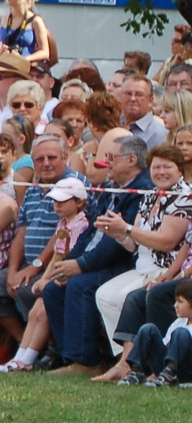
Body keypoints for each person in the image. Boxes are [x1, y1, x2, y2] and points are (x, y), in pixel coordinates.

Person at [41, 133, 154, 375]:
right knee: (54, 288)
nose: (106, 163)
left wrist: (80, 266)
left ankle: (87, 361)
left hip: (125, 262)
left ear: (131, 160)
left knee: (80, 284)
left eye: (111, 157)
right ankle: (69, 356)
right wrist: (70, 263)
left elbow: (116, 245)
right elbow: (91, 232)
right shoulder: (110, 187)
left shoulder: (142, 191)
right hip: (98, 261)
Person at [91, 144, 192, 375]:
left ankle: (130, 363)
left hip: (166, 268)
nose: (161, 172)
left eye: (167, 167)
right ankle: (126, 358)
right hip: (143, 266)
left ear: (180, 169)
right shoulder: (150, 195)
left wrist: (126, 228)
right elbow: (134, 243)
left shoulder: (184, 196)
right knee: (104, 296)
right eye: (156, 167)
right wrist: (117, 233)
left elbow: (166, 241)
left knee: (124, 297)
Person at [0, 175, 90, 372]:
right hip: (56, 276)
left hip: (68, 278)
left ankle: (29, 358)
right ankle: (20, 357)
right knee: (34, 313)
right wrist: (46, 277)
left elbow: (68, 256)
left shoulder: (81, 225)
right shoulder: (63, 224)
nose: (56, 206)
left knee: (41, 312)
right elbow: (57, 255)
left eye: (62, 202)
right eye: (55, 201)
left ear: (79, 202)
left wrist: (49, 280)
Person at [115, 279, 192, 388]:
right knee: (148, 328)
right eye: (175, 301)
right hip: (164, 366)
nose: (175, 305)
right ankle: (136, 371)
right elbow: (166, 344)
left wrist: (191, 345)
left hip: (185, 371)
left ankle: (170, 376)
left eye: (180, 302)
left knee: (181, 333)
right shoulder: (180, 321)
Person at [1, 0, 52, 66]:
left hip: (26, 67)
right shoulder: (3, 19)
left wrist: (23, 59)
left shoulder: (36, 21)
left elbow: (45, 52)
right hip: (5, 65)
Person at [119, 73, 166, 148]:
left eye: (139, 95)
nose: (133, 99)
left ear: (150, 101)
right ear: (121, 97)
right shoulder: (114, 123)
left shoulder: (158, 134)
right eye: (128, 93)